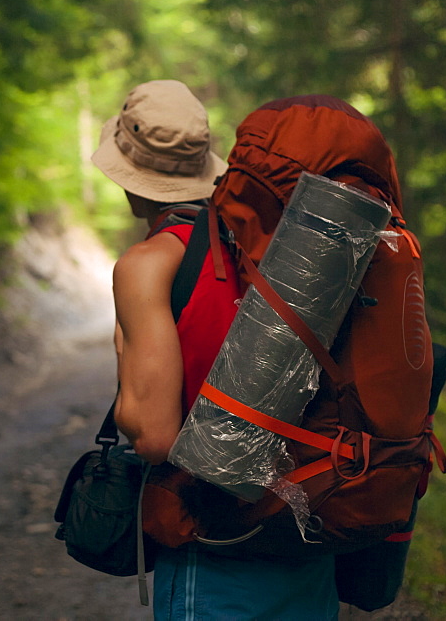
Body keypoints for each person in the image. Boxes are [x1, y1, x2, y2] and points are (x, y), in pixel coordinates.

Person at [92, 80, 340, 619]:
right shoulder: (272, 247)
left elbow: (156, 437)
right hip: (306, 534)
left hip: (212, 545)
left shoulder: (149, 264)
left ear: (129, 179)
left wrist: (126, 404)